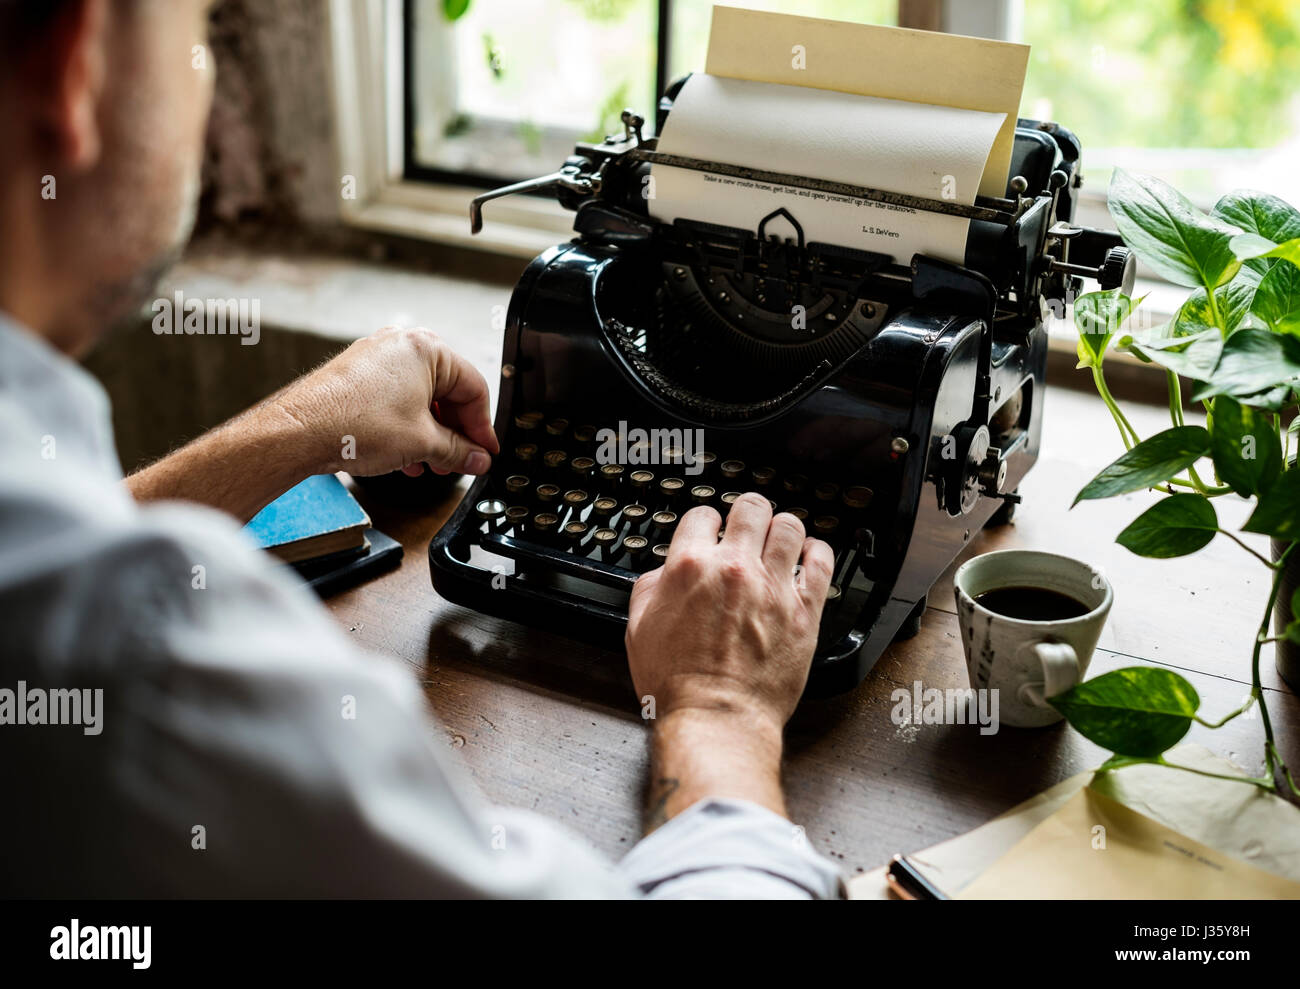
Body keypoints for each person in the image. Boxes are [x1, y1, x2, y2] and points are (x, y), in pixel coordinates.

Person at [0, 0, 841, 898]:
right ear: (74, 63)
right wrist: (721, 710)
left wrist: (309, 420)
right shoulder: (156, 671)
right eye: (200, 30)